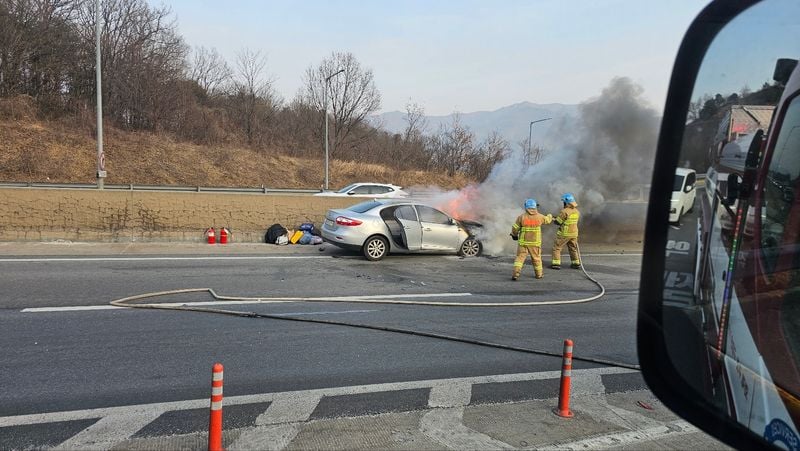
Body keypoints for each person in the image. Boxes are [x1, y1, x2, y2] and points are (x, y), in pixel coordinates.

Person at [511, 198, 553, 280]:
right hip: (535, 243)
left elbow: (515, 228)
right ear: (535, 207)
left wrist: (514, 235)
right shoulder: (540, 217)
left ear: (526, 207)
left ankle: (515, 274)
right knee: (536, 259)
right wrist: (550, 216)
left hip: (523, 243)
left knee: (519, 259)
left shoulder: (521, 217)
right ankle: (539, 275)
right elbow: (548, 220)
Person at [551, 193, 581, 270]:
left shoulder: (564, 211)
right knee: (573, 248)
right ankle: (576, 263)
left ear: (566, 202)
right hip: (574, 234)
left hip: (565, 234)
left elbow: (558, 222)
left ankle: (556, 264)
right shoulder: (577, 211)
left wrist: (553, 219)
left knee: (557, 248)